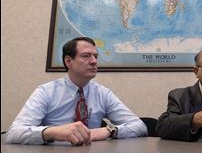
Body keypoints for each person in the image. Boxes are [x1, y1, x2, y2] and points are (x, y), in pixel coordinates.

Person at [6, 37, 147, 145]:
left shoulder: (102, 93)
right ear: (68, 61)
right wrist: (53, 132)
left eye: (95, 56)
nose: (94, 61)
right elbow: (13, 133)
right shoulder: (46, 92)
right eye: (86, 56)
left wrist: (110, 130)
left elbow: (140, 126)